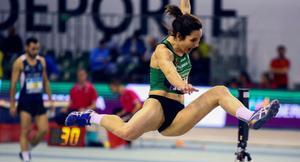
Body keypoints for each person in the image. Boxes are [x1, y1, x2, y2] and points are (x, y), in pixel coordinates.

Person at [65, 0, 279, 143]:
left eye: (199, 40)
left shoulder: (184, 26)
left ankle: (251, 116)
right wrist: (181, 84)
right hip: (158, 105)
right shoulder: (162, 51)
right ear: (178, 36)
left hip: (177, 115)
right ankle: (91, 117)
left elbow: (186, 4)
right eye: (193, 40)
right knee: (127, 132)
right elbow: (169, 71)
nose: (196, 45)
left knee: (220, 91)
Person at [10, 37, 54, 162]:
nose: (35, 51)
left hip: (38, 100)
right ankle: (26, 161)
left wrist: (50, 99)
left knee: (43, 130)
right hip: (25, 101)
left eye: (37, 49)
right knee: (25, 131)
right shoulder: (19, 62)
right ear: (26, 48)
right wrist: (12, 104)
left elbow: (45, 81)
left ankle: (26, 149)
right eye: (33, 48)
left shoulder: (42, 61)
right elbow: (13, 85)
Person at [109, 79, 142, 147]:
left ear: (116, 86)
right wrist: (119, 114)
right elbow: (126, 109)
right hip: (129, 114)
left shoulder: (129, 92)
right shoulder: (121, 96)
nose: (111, 90)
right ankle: (121, 142)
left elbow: (138, 105)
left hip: (138, 114)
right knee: (115, 118)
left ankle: (126, 141)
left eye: (112, 88)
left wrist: (131, 114)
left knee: (123, 122)